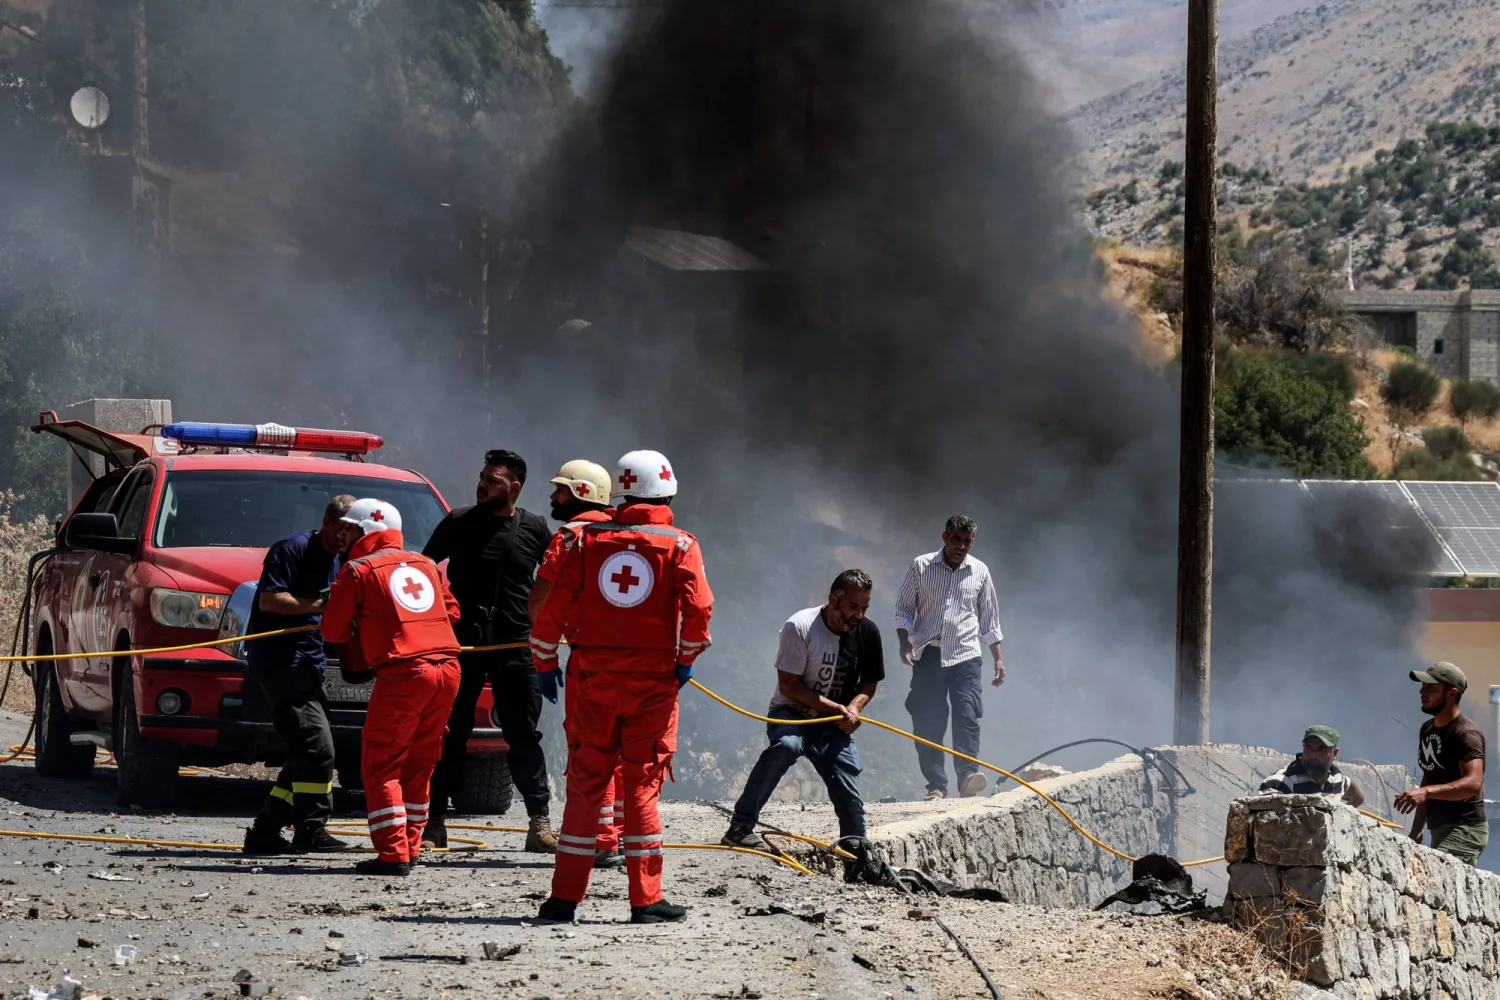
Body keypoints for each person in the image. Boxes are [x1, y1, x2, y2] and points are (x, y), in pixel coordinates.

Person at [530, 448, 714, 924]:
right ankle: (645, 899)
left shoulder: (583, 542)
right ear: (668, 492)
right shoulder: (680, 544)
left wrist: (545, 661)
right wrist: (685, 660)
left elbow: (553, 610)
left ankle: (563, 899)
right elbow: (698, 613)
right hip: (652, 683)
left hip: (590, 677)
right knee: (641, 787)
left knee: (586, 784)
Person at [421, 449, 556, 852]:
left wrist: (554, 633)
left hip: (516, 646)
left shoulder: (534, 527)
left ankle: (539, 823)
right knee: (450, 732)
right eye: (482, 477)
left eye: (492, 480)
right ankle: (434, 823)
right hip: (463, 644)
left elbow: (556, 581)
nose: (482, 485)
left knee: (523, 734)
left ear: (514, 487)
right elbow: (425, 568)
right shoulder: (459, 521)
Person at [322, 498, 463, 876]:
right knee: (420, 762)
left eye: (349, 529)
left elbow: (332, 630)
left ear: (365, 531)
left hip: (405, 672)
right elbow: (452, 612)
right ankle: (412, 845)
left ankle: (393, 855)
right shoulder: (426, 564)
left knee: (382, 764)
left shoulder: (357, 570)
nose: (343, 534)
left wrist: (367, 623)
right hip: (448, 668)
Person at [721, 570, 884, 868]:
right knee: (785, 746)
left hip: (833, 723)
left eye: (864, 608)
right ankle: (740, 828)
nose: (859, 615)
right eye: (852, 607)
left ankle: (857, 860)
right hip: (792, 712)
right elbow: (790, 686)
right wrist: (837, 707)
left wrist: (855, 708)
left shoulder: (868, 633)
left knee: (847, 783)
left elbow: (869, 683)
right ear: (834, 599)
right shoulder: (799, 627)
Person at [241, 495, 359, 855]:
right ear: (326, 522)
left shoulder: (344, 558)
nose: (345, 539)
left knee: (302, 753)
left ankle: (266, 831)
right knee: (318, 747)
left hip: (311, 661)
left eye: (351, 532)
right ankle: (311, 829)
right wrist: (324, 607)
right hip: (280, 662)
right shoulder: (291, 549)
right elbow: (269, 601)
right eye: (340, 530)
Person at [528, 460, 627, 871]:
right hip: (639, 659)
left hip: (591, 658)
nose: (553, 497)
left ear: (583, 493)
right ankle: (620, 836)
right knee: (624, 751)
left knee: (590, 748)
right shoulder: (629, 534)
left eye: (562, 490)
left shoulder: (570, 537)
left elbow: (542, 602)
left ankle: (600, 841)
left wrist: (545, 654)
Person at [894, 515, 1005, 800]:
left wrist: (998, 659)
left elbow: (989, 619)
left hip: (966, 655)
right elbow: (904, 609)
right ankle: (936, 785)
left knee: (967, 713)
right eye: (957, 539)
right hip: (929, 653)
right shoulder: (922, 566)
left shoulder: (979, 571)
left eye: (967, 541)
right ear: (945, 538)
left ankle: (968, 776)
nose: (962, 546)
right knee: (928, 718)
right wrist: (904, 642)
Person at [1395, 662, 1488, 866]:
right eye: (1422, 686)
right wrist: (1417, 829)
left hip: (1465, 830)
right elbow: (1430, 776)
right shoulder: (1427, 729)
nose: (1422, 691)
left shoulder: (1465, 734)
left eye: (1431, 688)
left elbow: (1473, 784)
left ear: (1451, 693)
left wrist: (1426, 792)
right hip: (1438, 828)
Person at [1259, 726, 1365, 807]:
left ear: (1335, 753)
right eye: (1308, 747)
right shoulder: (1279, 783)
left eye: (1321, 749)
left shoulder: (1338, 780)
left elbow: (1358, 797)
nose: (1313, 755)